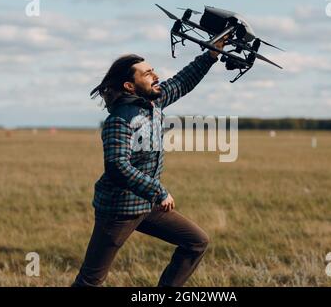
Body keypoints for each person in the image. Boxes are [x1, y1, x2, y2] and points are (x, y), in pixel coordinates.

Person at [72, 39, 226, 287]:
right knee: (91, 279)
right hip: (118, 210)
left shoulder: (154, 103)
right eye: (147, 73)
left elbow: (181, 82)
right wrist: (158, 191)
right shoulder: (119, 120)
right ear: (129, 86)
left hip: (146, 205)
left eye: (153, 70)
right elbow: (117, 166)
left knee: (196, 241)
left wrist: (211, 53)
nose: (156, 76)